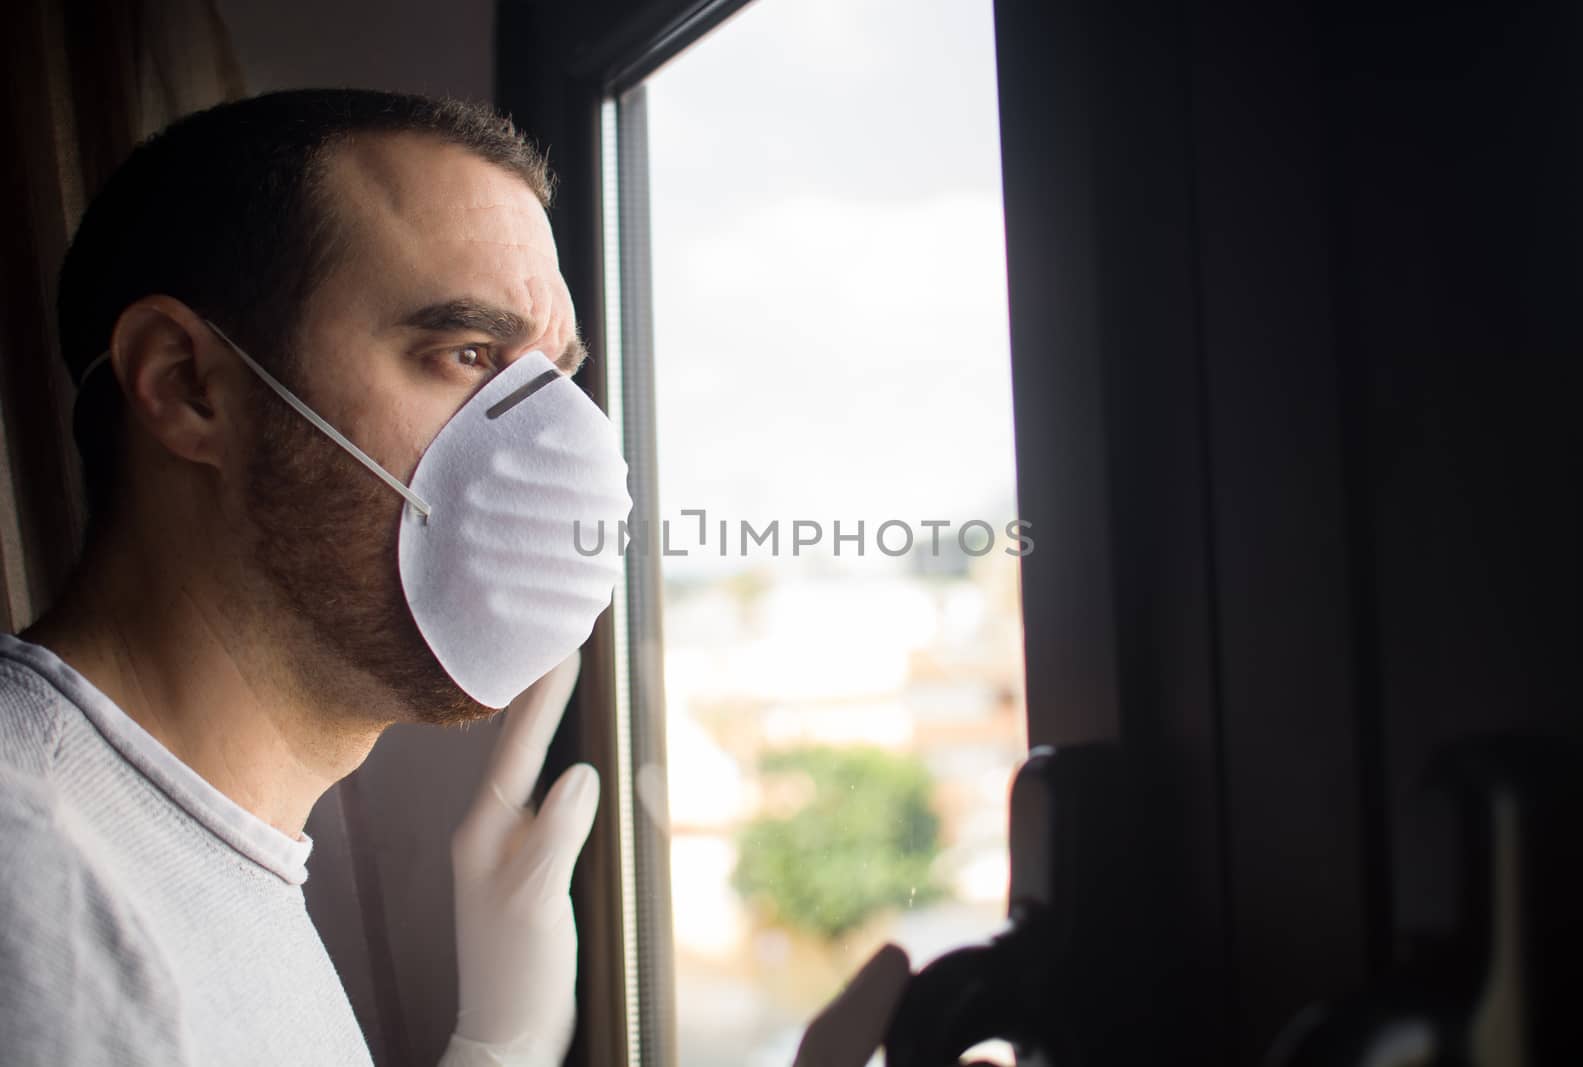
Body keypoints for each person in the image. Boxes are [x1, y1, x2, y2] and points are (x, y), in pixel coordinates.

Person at [0, 88, 907, 1066]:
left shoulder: (191, 851)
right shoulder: (37, 880)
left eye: (553, 377)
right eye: (468, 353)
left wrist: (496, 1049)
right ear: (187, 386)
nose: (561, 445)